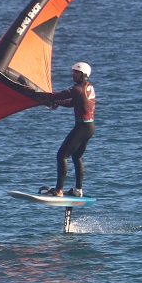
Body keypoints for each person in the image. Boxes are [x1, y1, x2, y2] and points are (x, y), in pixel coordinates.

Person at [41, 61, 96, 198]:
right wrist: (57, 103)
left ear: (83, 74)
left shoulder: (77, 89)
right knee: (77, 156)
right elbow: (72, 102)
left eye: (76, 73)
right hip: (89, 126)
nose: (73, 75)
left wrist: (41, 95)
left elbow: (58, 95)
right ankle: (78, 189)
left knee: (62, 155)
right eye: (73, 72)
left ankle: (58, 190)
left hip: (82, 127)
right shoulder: (87, 87)